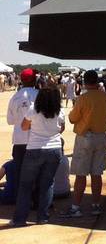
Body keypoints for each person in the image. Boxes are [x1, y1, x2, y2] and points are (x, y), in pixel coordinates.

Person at [10, 87, 65, 226]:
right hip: (54, 149)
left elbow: (24, 127)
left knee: (26, 185)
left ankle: (20, 219)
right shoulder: (59, 111)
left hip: (34, 149)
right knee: (47, 184)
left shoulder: (33, 109)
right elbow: (61, 128)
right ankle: (43, 217)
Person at [66, 69, 106, 217]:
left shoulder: (83, 99)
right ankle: (96, 205)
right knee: (97, 173)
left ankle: (76, 207)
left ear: (85, 82)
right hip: (101, 136)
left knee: (81, 174)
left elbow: (73, 118)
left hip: (85, 137)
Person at [5, 67, 38, 203]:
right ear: (34, 79)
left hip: (19, 141)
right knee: (37, 173)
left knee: (20, 173)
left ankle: (22, 202)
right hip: (37, 141)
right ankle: (36, 201)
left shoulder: (15, 97)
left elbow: (10, 120)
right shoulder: (39, 95)